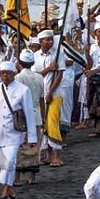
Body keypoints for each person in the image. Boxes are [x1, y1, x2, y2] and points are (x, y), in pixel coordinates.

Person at [0, 58, 38, 199]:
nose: (5, 76)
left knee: (10, 161)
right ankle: (10, 190)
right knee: (3, 163)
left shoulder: (23, 90)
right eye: (3, 73)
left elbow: (29, 114)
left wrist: (32, 137)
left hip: (15, 132)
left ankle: (5, 191)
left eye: (8, 73)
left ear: (13, 74)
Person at [33, 29, 66, 166]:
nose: (50, 42)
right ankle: (47, 154)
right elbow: (35, 75)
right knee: (43, 123)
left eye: (51, 39)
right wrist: (49, 69)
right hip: (40, 93)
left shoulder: (58, 53)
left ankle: (57, 156)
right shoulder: (35, 56)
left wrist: (50, 92)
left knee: (52, 123)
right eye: (47, 39)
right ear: (41, 42)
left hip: (55, 93)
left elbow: (59, 74)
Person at [15, 49, 45, 185]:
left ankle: (18, 178)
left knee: (20, 146)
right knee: (35, 146)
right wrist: (44, 117)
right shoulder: (39, 77)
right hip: (37, 115)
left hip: (23, 116)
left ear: (20, 63)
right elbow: (41, 100)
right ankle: (32, 177)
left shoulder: (18, 78)